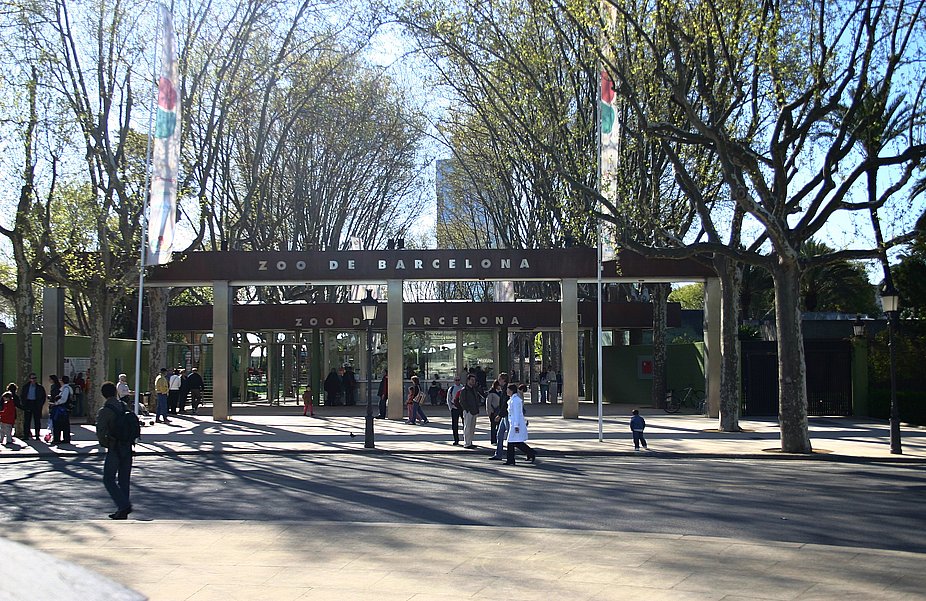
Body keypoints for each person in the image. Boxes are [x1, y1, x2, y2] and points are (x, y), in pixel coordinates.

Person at [96, 381, 137, 519]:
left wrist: (107, 444)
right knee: (124, 479)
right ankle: (122, 509)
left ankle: (123, 505)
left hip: (115, 447)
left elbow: (101, 433)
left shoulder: (105, 411)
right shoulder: (124, 406)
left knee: (108, 478)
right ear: (115, 392)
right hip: (128, 446)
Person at [504, 383, 536, 465]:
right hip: (514, 423)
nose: (506, 391)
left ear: (511, 390)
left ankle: (510, 460)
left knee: (511, 441)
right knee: (516, 441)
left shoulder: (515, 401)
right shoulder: (512, 399)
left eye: (508, 389)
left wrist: (516, 425)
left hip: (516, 423)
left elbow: (516, 414)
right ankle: (531, 452)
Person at [458, 373, 482, 449]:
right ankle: (467, 443)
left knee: (472, 427)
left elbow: (476, 399)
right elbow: (462, 401)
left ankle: (470, 442)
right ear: (468, 380)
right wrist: (467, 409)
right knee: (467, 427)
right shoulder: (464, 390)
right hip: (468, 411)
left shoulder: (474, 389)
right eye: (472, 380)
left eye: (474, 380)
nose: (473, 381)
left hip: (474, 410)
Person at [20, 373, 45, 441]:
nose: (34, 380)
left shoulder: (40, 387)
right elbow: (22, 395)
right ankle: (26, 435)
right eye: (32, 378)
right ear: (29, 379)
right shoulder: (26, 386)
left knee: (37, 420)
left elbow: (43, 396)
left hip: (36, 404)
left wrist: (40, 404)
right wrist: (24, 404)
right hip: (28, 403)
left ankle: (37, 435)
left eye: (35, 378)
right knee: (27, 421)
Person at [49, 375, 73, 445]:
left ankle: (57, 439)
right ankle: (65, 438)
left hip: (61, 408)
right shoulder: (67, 388)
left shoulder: (65, 389)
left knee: (58, 424)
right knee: (64, 424)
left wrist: (56, 403)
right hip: (64, 409)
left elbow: (63, 399)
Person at [488, 381, 509, 460]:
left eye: (500, 380)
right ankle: (498, 453)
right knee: (499, 434)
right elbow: (489, 403)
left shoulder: (505, 391)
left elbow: (504, 405)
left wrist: (499, 415)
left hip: (505, 415)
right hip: (501, 414)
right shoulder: (497, 392)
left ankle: (528, 451)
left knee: (511, 436)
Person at [446, 375, 465, 445]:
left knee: (465, 424)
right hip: (454, 408)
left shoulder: (463, 388)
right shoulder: (451, 389)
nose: (457, 381)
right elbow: (448, 399)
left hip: (462, 408)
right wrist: (451, 408)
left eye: (458, 380)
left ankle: (466, 439)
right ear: (454, 381)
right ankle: (456, 439)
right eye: (456, 380)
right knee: (455, 425)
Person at [486, 380, 501, 445]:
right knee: (493, 427)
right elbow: (488, 403)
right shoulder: (491, 393)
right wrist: (489, 412)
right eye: (499, 385)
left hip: (499, 412)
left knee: (499, 427)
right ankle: (493, 440)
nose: (500, 387)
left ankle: (499, 439)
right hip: (493, 412)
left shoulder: (501, 392)